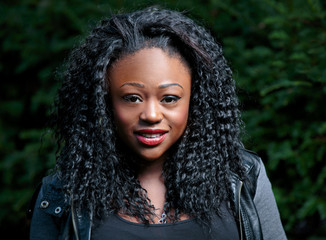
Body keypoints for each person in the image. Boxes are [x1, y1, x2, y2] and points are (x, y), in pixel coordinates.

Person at [28, 7, 287, 240]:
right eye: (132, 98)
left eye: (170, 98)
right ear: (104, 102)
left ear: (194, 100)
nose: (151, 115)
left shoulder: (242, 177)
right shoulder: (62, 194)